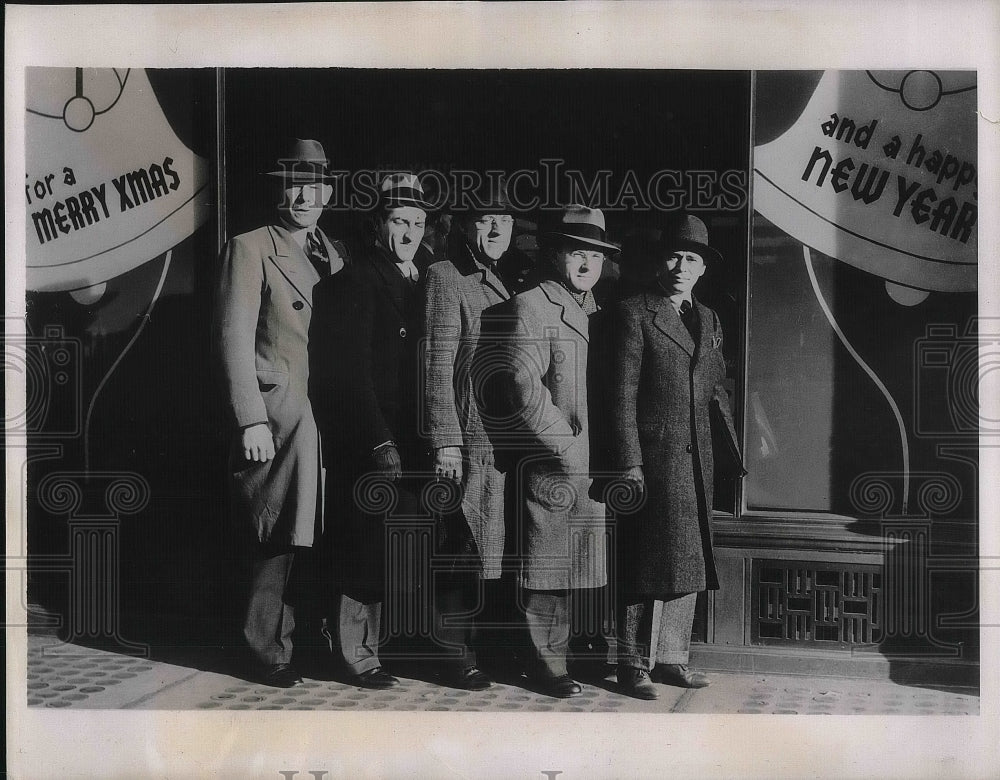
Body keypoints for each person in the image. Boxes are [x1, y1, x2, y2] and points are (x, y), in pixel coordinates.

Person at [214, 138, 344, 688]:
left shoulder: (334, 254)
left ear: (329, 192)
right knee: (275, 528)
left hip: (327, 412)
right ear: (279, 188)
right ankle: (264, 649)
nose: (305, 194)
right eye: (294, 182)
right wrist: (250, 418)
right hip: (280, 411)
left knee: (312, 529)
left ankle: (300, 642)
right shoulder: (249, 247)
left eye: (315, 184)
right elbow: (233, 336)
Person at [480, 205, 616, 698]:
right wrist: (563, 444)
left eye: (595, 256)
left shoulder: (598, 309)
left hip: (593, 467)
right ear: (556, 254)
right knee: (546, 568)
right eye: (576, 253)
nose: (586, 264)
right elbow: (521, 385)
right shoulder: (533, 305)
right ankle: (546, 666)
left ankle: (566, 658)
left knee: (577, 566)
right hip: (555, 465)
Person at [611, 213, 743, 700]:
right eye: (674, 255)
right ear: (660, 259)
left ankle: (672, 658)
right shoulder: (634, 311)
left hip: (698, 459)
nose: (682, 265)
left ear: (703, 267)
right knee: (645, 563)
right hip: (654, 456)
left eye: (692, 258)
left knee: (689, 561)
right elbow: (621, 394)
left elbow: (714, 390)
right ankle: (631, 665)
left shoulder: (708, 318)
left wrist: (733, 452)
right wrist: (629, 460)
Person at [309, 173, 430, 689]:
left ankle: (373, 649)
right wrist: (378, 439)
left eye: (418, 224)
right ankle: (353, 653)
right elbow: (349, 371)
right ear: (378, 225)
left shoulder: (419, 280)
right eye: (399, 222)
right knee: (362, 545)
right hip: (372, 439)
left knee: (386, 547)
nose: (409, 232)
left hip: (409, 436)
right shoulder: (356, 281)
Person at [421, 179, 523, 690]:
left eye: (504, 222)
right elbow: (437, 364)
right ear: (464, 227)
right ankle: (454, 655)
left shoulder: (503, 282)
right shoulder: (445, 277)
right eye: (485, 221)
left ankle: (480, 651)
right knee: (460, 551)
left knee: (488, 550)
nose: (496, 229)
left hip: (498, 444)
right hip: (466, 439)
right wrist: (445, 439)